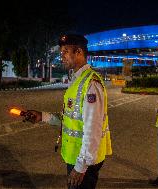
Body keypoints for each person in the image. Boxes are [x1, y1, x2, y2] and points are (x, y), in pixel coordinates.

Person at [26, 34, 112, 189]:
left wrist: (80, 167)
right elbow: (70, 118)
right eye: (61, 52)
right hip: (76, 157)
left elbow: (93, 130)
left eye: (65, 51)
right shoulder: (77, 80)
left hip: (84, 162)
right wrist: (42, 116)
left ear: (78, 52)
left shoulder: (91, 83)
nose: (62, 56)